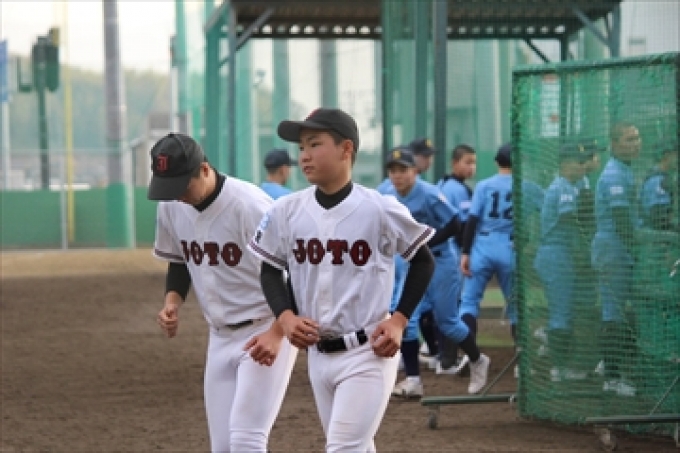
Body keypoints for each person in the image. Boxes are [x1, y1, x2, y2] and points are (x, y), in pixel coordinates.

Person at [247, 108, 436, 452]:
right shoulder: (287, 210)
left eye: (314, 144)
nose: (304, 155)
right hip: (318, 355)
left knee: (343, 447)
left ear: (346, 148)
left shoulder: (379, 208)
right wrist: (285, 318)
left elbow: (423, 261)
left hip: (368, 351)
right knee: (356, 447)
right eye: (301, 147)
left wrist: (399, 320)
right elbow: (270, 269)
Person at [147, 133, 298, 452]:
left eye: (182, 186)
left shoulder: (249, 206)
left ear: (204, 170)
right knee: (224, 447)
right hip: (218, 336)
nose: (177, 196)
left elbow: (294, 275)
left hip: (263, 327)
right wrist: (172, 302)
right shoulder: (171, 206)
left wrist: (277, 333)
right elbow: (179, 260)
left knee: (246, 440)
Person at [382, 146, 466, 398]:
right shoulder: (385, 194)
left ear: (415, 171)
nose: (397, 175)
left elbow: (456, 223)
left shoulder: (429, 192)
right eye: (393, 170)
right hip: (405, 262)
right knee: (405, 314)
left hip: (438, 260)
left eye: (403, 169)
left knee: (446, 318)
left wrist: (426, 244)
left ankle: (469, 357)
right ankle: (414, 376)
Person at [458, 143, 517, 394]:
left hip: (482, 245)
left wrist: (465, 252)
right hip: (510, 247)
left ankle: (472, 356)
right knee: (515, 306)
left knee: (468, 304)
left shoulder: (484, 185)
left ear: (496, 162)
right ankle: (521, 361)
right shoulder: (524, 185)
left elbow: (471, 220)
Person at [592, 122, 642, 397]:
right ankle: (611, 376)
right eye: (629, 139)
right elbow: (622, 221)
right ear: (614, 144)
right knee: (613, 312)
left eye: (637, 138)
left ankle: (608, 362)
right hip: (614, 249)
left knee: (624, 310)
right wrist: (638, 250)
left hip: (619, 248)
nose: (635, 143)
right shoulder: (614, 174)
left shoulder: (625, 169)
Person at [534, 143, 590, 382]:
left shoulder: (571, 185)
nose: (584, 166)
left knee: (564, 311)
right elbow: (570, 217)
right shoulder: (563, 186)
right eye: (579, 162)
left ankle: (549, 346)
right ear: (566, 164)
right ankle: (559, 368)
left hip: (560, 255)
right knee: (561, 313)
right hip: (556, 255)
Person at [434, 144, 477, 374]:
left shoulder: (443, 184)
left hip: (438, 252)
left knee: (442, 306)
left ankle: (442, 355)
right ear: (454, 163)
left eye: (474, 162)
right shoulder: (457, 189)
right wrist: (467, 251)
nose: (472, 167)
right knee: (453, 307)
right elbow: (463, 226)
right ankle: (448, 358)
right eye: (467, 162)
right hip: (451, 254)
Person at [639, 140, 677, 231]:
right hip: (655, 235)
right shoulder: (657, 180)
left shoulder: (662, 176)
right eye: (676, 155)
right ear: (667, 156)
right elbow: (659, 218)